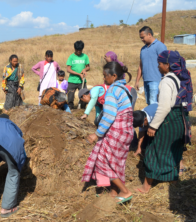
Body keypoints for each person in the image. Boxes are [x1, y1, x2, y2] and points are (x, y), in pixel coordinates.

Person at [135, 50, 193, 194]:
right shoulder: (182, 77)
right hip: (181, 119)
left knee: (154, 150)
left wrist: (153, 126)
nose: (158, 66)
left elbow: (165, 106)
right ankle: (173, 181)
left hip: (169, 120)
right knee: (175, 150)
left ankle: (146, 186)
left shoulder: (167, 80)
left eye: (159, 64)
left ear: (168, 65)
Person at [82, 62, 133, 204]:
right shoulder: (124, 89)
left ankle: (125, 191)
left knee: (103, 162)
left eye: (105, 76)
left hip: (117, 131)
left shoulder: (112, 91)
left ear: (114, 76)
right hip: (127, 131)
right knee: (116, 162)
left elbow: (109, 115)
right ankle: (113, 191)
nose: (104, 79)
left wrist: (96, 134)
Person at [135, 26, 167, 105]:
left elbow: (165, 63)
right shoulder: (143, 49)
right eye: (141, 38)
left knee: (154, 103)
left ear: (149, 34)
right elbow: (141, 66)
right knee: (149, 103)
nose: (142, 40)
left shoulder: (160, 46)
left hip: (156, 80)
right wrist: (137, 80)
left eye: (143, 37)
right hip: (146, 80)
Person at [66, 40, 90, 109]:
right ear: (74, 49)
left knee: (84, 96)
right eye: (77, 50)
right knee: (70, 97)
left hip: (82, 81)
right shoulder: (71, 57)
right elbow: (68, 69)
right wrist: (79, 74)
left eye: (80, 50)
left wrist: (85, 69)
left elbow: (88, 67)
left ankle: (82, 110)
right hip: (72, 81)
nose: (79, 51)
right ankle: (70, 109)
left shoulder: (85, 56)